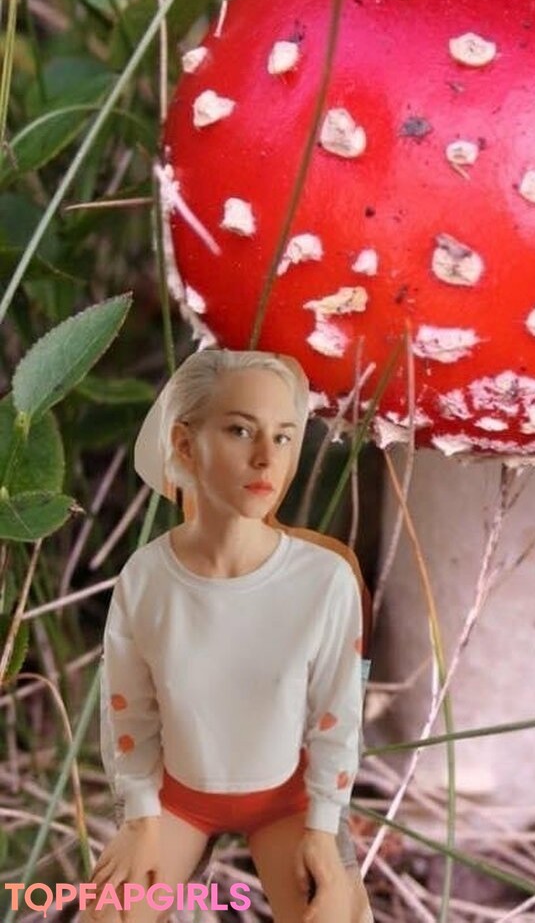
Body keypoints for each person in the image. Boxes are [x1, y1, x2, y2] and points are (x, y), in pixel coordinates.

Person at [89, 349, 373, 923]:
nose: (266, 457)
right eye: (241, 430)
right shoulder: (146, 578)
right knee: (108, 916)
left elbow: (336, 717)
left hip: (288, 798)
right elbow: (128, 709)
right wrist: (139, 817)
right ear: (185, 445)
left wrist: (324, 830)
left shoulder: (324, 580)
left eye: (284, 436)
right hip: (177, 797)